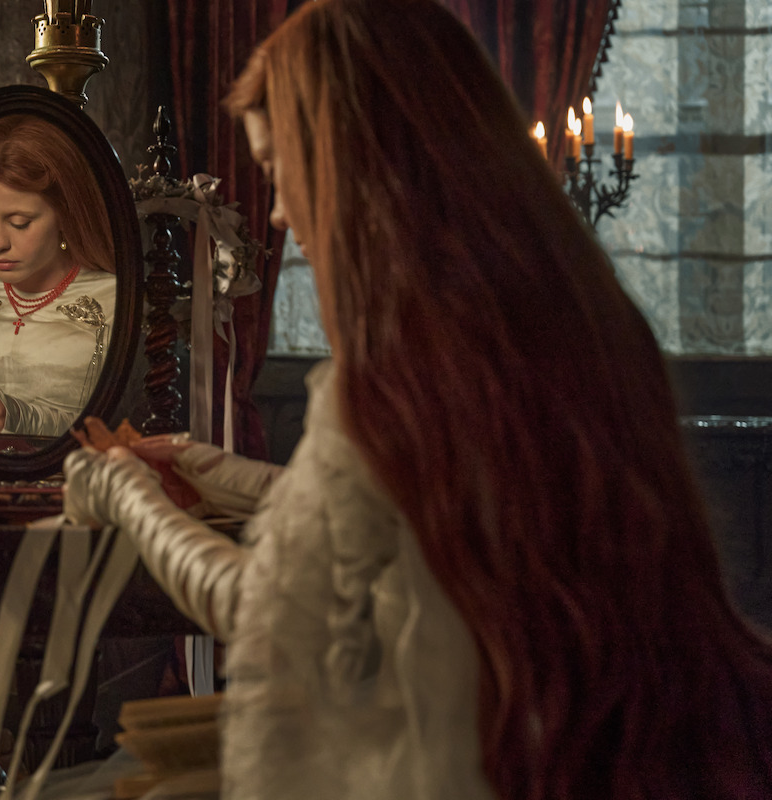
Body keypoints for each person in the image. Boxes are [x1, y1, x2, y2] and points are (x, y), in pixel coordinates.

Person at [62, 0, 772, 798]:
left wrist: (126, 491)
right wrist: (195, 462)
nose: (280, 212)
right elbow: (381, 509)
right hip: (590, 746)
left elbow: (258, 609)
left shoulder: (400, 367)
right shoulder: (572, 318)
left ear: (351, 162)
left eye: (281, 172)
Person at [0, 114, 116, 438]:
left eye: (20, 222)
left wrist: (23, 418)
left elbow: (134, 427)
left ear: (65, 213)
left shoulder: (117, 306)